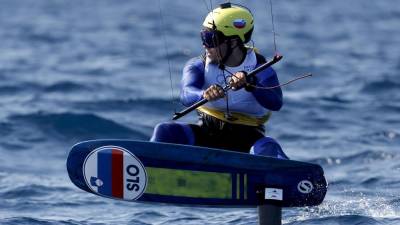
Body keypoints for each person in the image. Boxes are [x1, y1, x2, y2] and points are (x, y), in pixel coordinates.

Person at [151, 3, 288, 159]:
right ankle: (146, 169)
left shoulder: (261, 68)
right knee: (164, 131)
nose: (205, 44)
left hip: (248, 140)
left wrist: (251, 84)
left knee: (269, 147)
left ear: (234, 42)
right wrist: (204, 94)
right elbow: (185, 93)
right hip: (207, 134)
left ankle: (301, 180)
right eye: (203, 36)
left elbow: (276, 102)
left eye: (211, 38)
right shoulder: (197, 65)